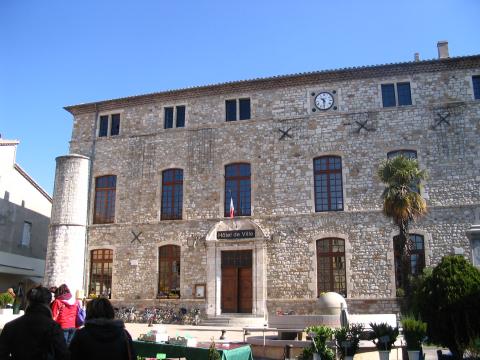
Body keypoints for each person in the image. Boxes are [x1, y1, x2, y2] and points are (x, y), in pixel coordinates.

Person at [0, 285, 69, 359]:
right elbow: (63, 355)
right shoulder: (53, 327)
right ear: (49, 302)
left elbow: (2, 354)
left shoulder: (11, 326)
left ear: (28, 301)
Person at [69, 297, 136, 360]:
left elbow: (71, 356)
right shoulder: (124, 335)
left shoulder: (81, 335)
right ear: (111, 312)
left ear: (89, 313)